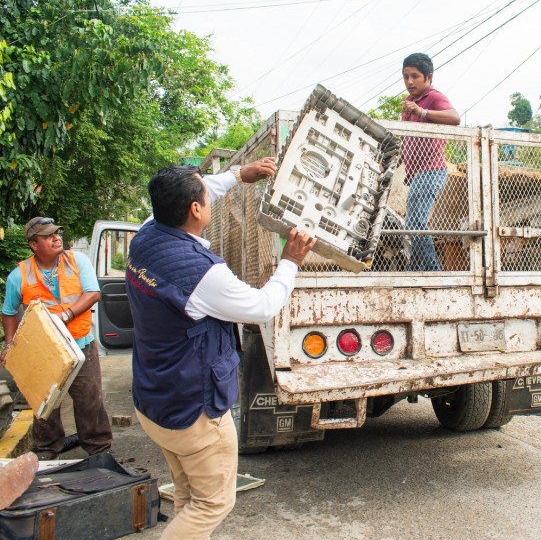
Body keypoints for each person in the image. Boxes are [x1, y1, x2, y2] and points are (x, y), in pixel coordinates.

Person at [127, 164, 315, 540]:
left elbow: (203, 189)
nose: (208, 195)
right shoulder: (202, 274)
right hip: (192, 413)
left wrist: (238, 175)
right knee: (212, 503)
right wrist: (290, 262)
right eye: (203, 195)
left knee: (189, 495)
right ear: (195, 210)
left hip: (155, 399)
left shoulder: (146, 236)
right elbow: (263, 306)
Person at [1, 217, 113, 459]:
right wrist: (9, 344)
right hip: (43, 352)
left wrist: (65, 315)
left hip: (81, 345)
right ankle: (46, 453)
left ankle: (99, 452)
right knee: (46, 406)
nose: (56, 238)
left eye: (57, 233)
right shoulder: (18, 276)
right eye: (48, 236)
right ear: (33, 244)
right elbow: (9, 312)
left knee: (90, 402)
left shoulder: (77, 261)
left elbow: (93, 293)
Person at [400, 52, 461, 271]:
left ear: (428, 77)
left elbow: (455, 118)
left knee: (416, 222)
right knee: (412, 225)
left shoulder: (434, 97)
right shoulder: (408, 102)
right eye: (406, 76)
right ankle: (415, 270)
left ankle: (433, 271)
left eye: (415, 76)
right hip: (416, 174)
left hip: (432, 170)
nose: (409, 82)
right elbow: (406, 139)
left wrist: (423, 112)